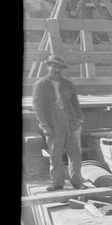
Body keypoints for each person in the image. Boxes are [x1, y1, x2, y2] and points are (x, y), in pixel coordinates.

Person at [32, 55, 86, 191]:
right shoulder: (41, 84)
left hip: (71, 120)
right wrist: (44, 125)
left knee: (75, 153)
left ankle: (77, 181)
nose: (56, 69)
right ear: (48, 67)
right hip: (54, 122)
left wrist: (79, 119)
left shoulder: (68, 84)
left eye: (59, 67)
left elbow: (75, 102)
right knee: (55, 153)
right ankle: (57, 183)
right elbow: (37, 106)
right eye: (54, 66)